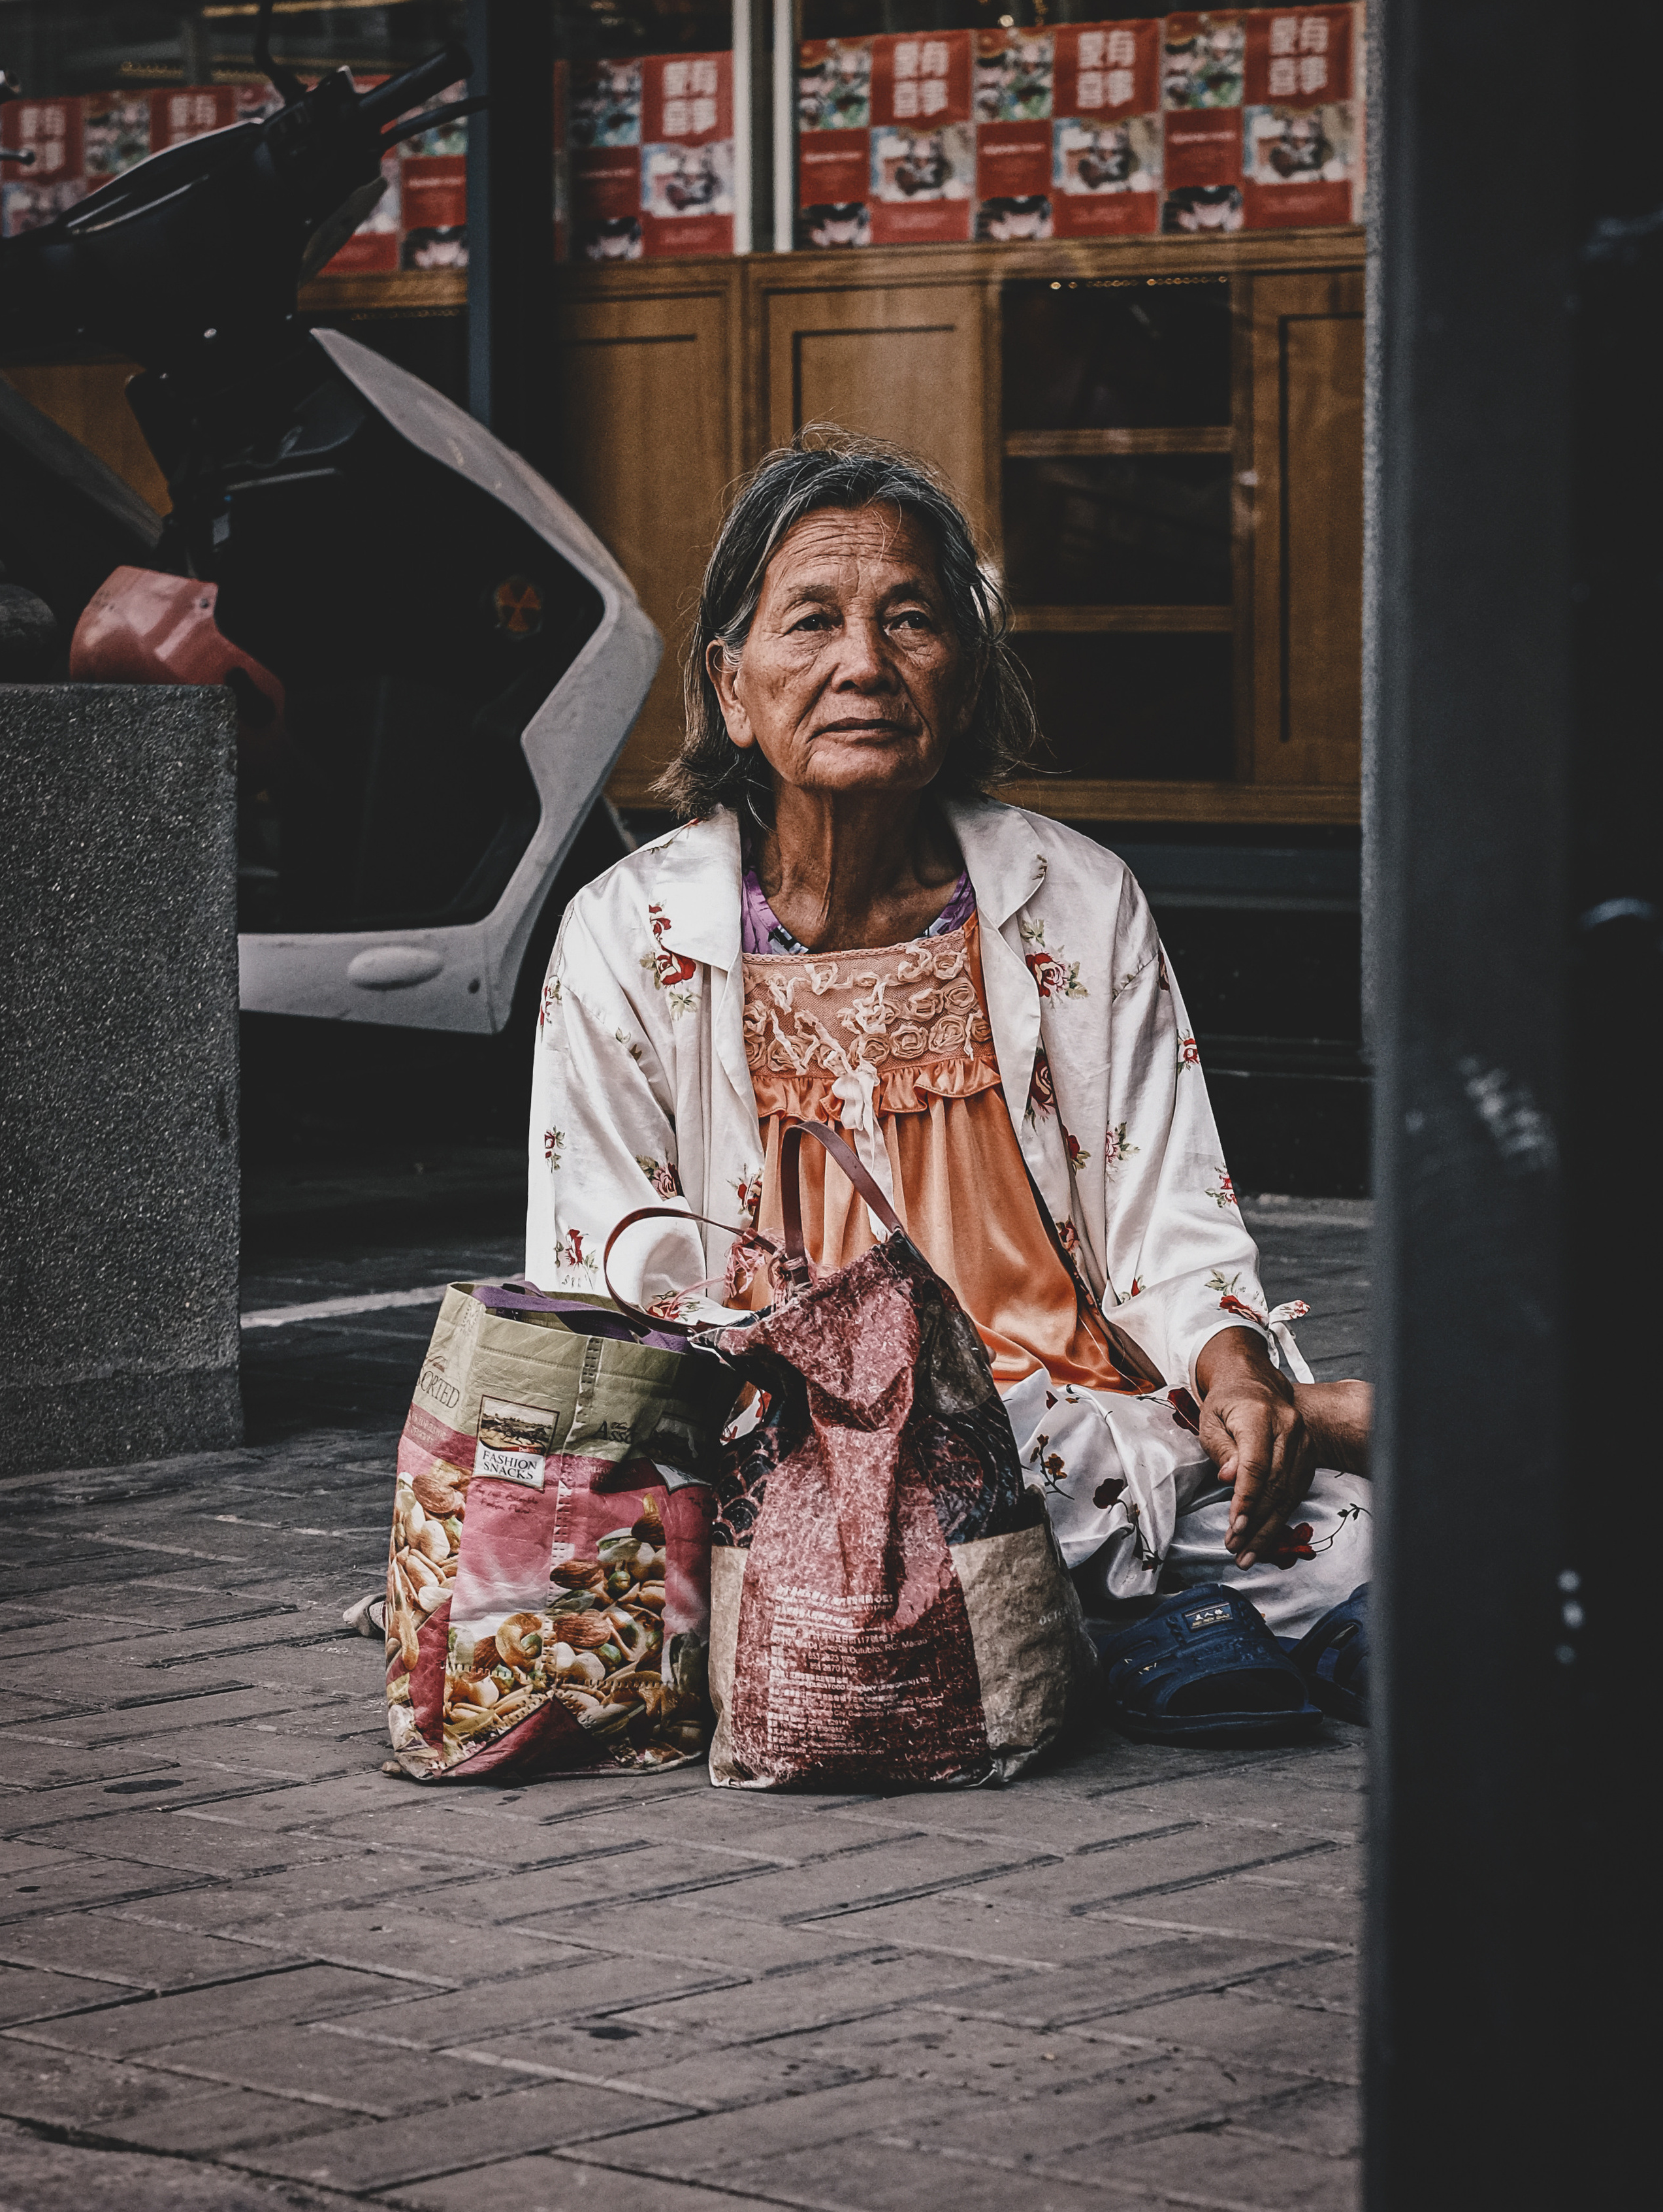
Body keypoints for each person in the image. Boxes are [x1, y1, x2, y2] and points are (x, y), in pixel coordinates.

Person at [526, 434, 1370, 1672]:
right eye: (812, 622)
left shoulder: (1077, 900)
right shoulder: (626, 934)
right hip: (789, 1433)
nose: (865, 665)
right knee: (804, 1561)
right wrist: (866, 1407)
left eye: (912, 621)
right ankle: (1136, 1623)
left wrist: (1235, 1372)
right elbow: (611, 1279)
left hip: (1068, 1402)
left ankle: (1106, 1609)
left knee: (1345, 1536)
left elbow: (1168, 1218)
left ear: (965, 679)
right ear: (732, 687)